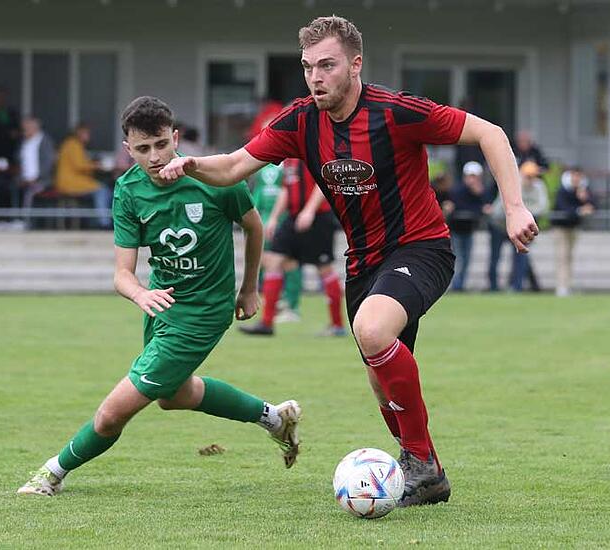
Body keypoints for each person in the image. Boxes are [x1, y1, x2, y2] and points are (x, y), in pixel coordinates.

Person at [159, 15, 538, 507]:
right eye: (308, 67)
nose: (315, 77)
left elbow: (490, 133)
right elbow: (233, 166)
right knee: (380, 380)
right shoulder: (300, 121)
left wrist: (514, 207)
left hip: (422, 247)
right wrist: (192, 164)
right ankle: (426, 474)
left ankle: (421, 461)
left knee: (372, 331)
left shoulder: (395, 111)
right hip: (363, 262)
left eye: (327, 66)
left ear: (355, 65)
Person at [17, 96, 301, 497]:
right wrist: (140, 294)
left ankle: (51, 474)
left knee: (112, 413)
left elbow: (254, 228)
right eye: (143, 149)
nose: (154, 157)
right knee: (173, 396)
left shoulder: (214, 177)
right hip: (162, 308)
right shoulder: (128, 191)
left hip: (204, 311)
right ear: (127, 150)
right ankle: (275, 418)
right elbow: (122, 274)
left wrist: (249, 288)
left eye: (162, 145)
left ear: (176, 139)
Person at [240, 158, 345, 336]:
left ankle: (337, 326)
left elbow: (324, 182)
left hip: (318, 217)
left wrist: (310, 210)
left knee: (324, 268)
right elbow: (286, 189)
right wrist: (274, 217)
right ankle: (266, 324)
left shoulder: (312, 151)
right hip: (293, 216)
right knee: (272, 261)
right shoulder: (289, 160)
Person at [250, 162, 303, 322]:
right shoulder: (263, 166)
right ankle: (277, 301)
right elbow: (259, 191)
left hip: (285, 217)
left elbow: (288, 190)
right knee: (268, 260)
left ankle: (291, 305)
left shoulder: (291, 164)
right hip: (267, 217)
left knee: (288, 261)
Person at [490, 161, 548, 292]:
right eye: (528, 176)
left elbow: (543, 207)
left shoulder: (539, 186)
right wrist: (517, 212)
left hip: (520, 227)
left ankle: (517, 286)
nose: (531, 180)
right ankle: (493, 286)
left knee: (520, 256)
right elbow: (500, 208)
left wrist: (522, 212)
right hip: (500, 224)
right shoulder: (513, 184)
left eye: (533, 176)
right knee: (495, 256)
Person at [54, 123, 112, 229]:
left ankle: (102, 220)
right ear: (80, 133)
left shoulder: (73, 144)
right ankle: (104, 223)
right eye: (87, 133)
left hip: (74, 180)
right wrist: (97, 165)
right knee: (102, 190)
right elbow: (80, 165)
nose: (89, 136)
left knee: (106, 191)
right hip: (70, 183)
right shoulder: (73, 144)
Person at [551, 167, 594, 297]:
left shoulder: (583, 189)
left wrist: (584, 200)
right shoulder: (563, 190)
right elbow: (563, 208)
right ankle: (561, 287)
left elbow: (593, 204)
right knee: (562, 257)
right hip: (560, 228)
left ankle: (567, 286)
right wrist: (579, 210)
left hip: (573, 228)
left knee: (569, 257)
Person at [447, 161, 487, 291]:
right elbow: (457, 207)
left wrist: (478, 194)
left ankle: (461, 284)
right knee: (458, 258)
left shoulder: (481, 192)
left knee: (467, 258)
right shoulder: (457, 190)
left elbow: (483, 208)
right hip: (457, 230)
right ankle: (456, 285)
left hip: (469, 230)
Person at [18, 117, 56, 226]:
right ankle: (14, 220)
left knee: (30, 192)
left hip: (42, 180)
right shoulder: (24, 142)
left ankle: (26, 222)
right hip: (25, 179)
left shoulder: (45, 141)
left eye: (26, 129)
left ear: (34, 128)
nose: (24, 131)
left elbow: (48, 164)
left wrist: (35, 178)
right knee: (10, 188)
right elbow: (20, 159)